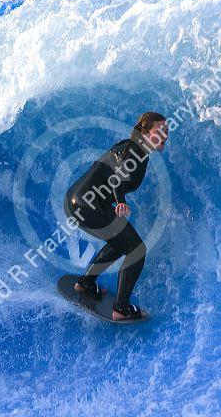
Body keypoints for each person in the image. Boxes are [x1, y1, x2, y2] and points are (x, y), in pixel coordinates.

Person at [63, 112, 168, 321]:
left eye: (166, 130)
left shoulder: (135, 149)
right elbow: (118, 177)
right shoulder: (134, 149)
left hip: (78, 201)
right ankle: (121, 308)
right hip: (87, 204)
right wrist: (120, 201)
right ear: (146, 132)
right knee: (136, 250)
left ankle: (85, 284)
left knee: (122, 242)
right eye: (160, 130)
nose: (165, 134)